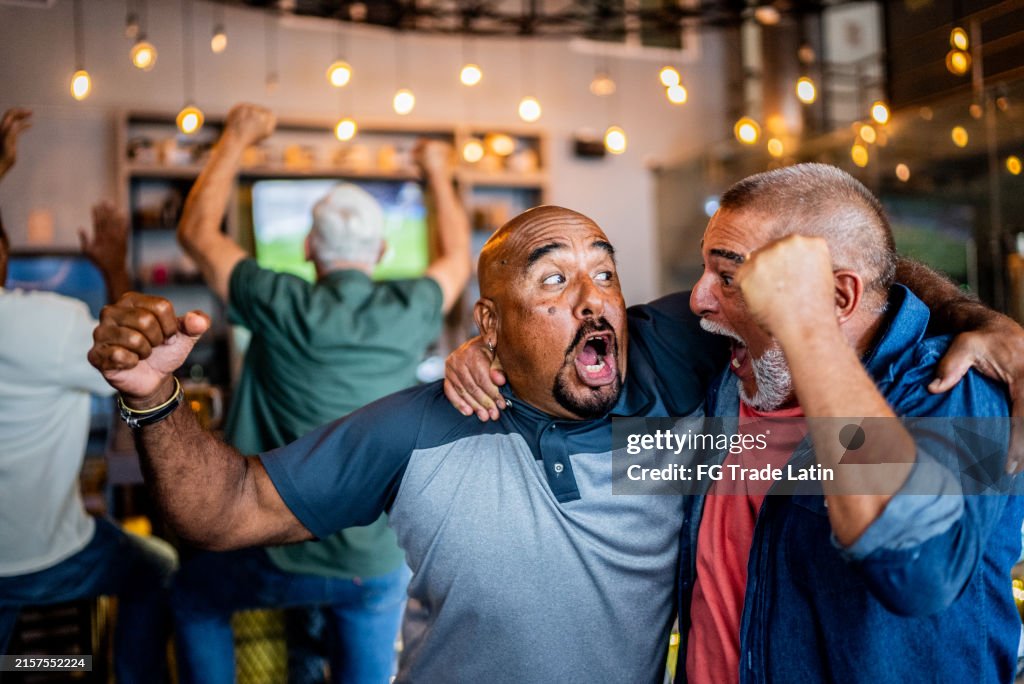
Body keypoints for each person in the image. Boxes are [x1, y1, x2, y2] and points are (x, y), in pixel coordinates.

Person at [88, 205, 734, 683]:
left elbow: (804, 458)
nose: (593, 298)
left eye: (605, 273)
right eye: (553, 280)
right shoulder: (422, 431)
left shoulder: (671, 385)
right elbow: (225, 508)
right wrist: (154, 395)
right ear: (488, 324)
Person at [676, 163, 1023, 683]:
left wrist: (809, 325)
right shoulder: (728, 371)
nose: (698, 300)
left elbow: (919, 571)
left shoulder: (959, 388)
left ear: (839, 298)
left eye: (729, 277)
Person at [169, 103, 471, 683]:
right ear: (380, 253)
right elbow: (458, 257)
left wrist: (238, 136)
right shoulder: (411, 306)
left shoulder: (278, 299)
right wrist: (437, 169)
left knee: (192, 597)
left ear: (309, 247)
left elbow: (196, 233)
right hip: (370, 559)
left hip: (272, 550)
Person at [0, 107, 177, 681]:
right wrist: (114, 267)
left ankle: (32, 667)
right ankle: (95, 670)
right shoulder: (46, 324)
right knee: (158, 567)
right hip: (47, 558)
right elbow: (135, 356)